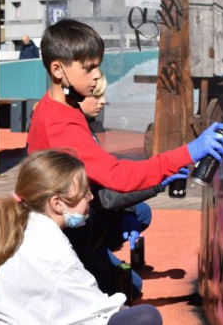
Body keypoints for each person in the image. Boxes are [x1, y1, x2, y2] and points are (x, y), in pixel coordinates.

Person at [0, 149, 163, 324]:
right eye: (84, 192)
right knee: (146, 316)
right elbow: (95, 312)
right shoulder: (53, 250)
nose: (90, 197)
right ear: (57, 204)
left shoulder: (19, 221)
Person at [26, 18, 223, 194]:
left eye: (97, 65)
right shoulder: (60, 124)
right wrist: (188, 152)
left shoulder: (54, 106)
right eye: (89, 68)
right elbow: (116, 176)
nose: (97, 74)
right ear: (58, 70)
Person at [67, 72, 187, 299]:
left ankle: (102, 250)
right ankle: (91, 261)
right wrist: (158, 183)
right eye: (96, 95)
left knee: (140, 212)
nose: (103, 101)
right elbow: (106, 193)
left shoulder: (86, 126)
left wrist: (128, 212)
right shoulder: (73, 131)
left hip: (91, 210)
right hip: (78, 222)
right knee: (131, 287)